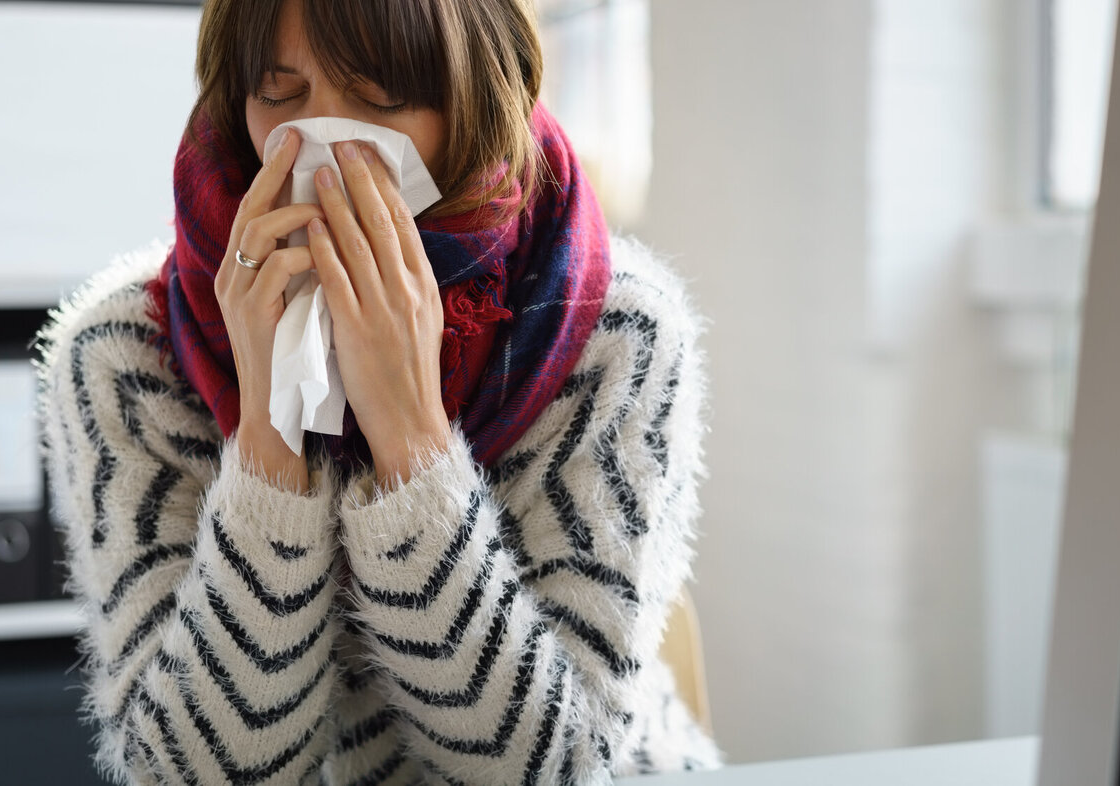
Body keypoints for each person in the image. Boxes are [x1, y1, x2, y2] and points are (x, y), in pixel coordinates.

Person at [36, 0, 720, 782]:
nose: (323, 146)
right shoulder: (127, 352)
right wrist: (266, 434)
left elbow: (555, 770)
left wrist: (411, 437)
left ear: (478, 95)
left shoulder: (613, 333)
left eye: (381, 98)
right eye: (278, 93)